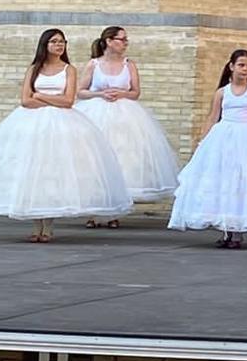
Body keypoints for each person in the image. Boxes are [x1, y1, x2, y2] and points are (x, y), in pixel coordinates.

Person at [0, 28, 132, 242]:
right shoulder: (34, 69)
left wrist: (41, 95)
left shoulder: (69, 69)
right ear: (45, 44)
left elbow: (68, 101)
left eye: (62, 42)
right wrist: (45, 98)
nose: (59, 45)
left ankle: (48, 227)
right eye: (54, 42)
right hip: (31, 123)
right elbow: (26, 100)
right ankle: (37, 226)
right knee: (32, 171)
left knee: (53, 171)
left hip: (62, 124)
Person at [168, 49, 247, 248]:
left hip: (246, 139)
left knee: (240, 183)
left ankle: (237, 232)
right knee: (224, 182)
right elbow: (213, 117)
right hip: (223, 139)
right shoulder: (222, 93)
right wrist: (202, 141)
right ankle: (226, 229)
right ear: (231, 66)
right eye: (241, 65)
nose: (245, 69)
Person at [74, 25, 179, 222]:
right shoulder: (94, 64)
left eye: (125, 40)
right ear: (109, 41)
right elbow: (81, 91)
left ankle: (115, 212)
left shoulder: (129, 64)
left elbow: (135, 92)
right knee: (96, 160)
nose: (125, 43)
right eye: (122, 39)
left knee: (123, 159)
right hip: (97, 114)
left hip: (125, 117)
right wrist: (100, 93)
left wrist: (122, 93)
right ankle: (94, 212)